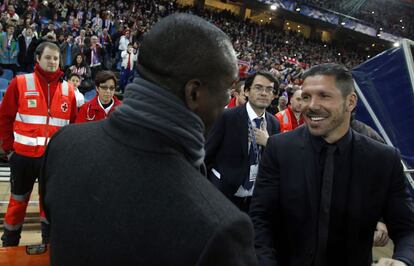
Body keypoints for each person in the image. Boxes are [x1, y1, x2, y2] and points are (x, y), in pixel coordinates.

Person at [40, 13, 257, 265]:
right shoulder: (222, 228)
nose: (228, 100)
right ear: (194, 92)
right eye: (227, 89)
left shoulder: (63, 143)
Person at [249, 63, 414, 266]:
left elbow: (408, 229)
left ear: (350, 102)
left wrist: (403, 261)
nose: (311, 105)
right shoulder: (279, 148)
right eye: (307, 96)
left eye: (324, 96)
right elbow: (260, 219)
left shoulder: (383, 159)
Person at [0, 41, 77, 247]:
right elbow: (5, 117)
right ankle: (9, 243)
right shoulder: (20, 83)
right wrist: (9, 149)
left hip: (52, 161)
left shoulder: (69, 90)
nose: (52, 62)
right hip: (22, 157)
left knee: (49, 205)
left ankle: (48, 244)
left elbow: (72, 126)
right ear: (38, 59)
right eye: (48, 57)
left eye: (55, 58)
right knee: (17, 203)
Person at [205, 71, 280, 213]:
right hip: (222, 191)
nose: (264, 93)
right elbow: (207, 153)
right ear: (246, 91)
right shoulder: (227, 117)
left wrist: (269, 143)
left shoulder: (274, 123)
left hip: (254, 197)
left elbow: (275, 162)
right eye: (258, 88)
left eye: (269, 89)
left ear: (274, 96)